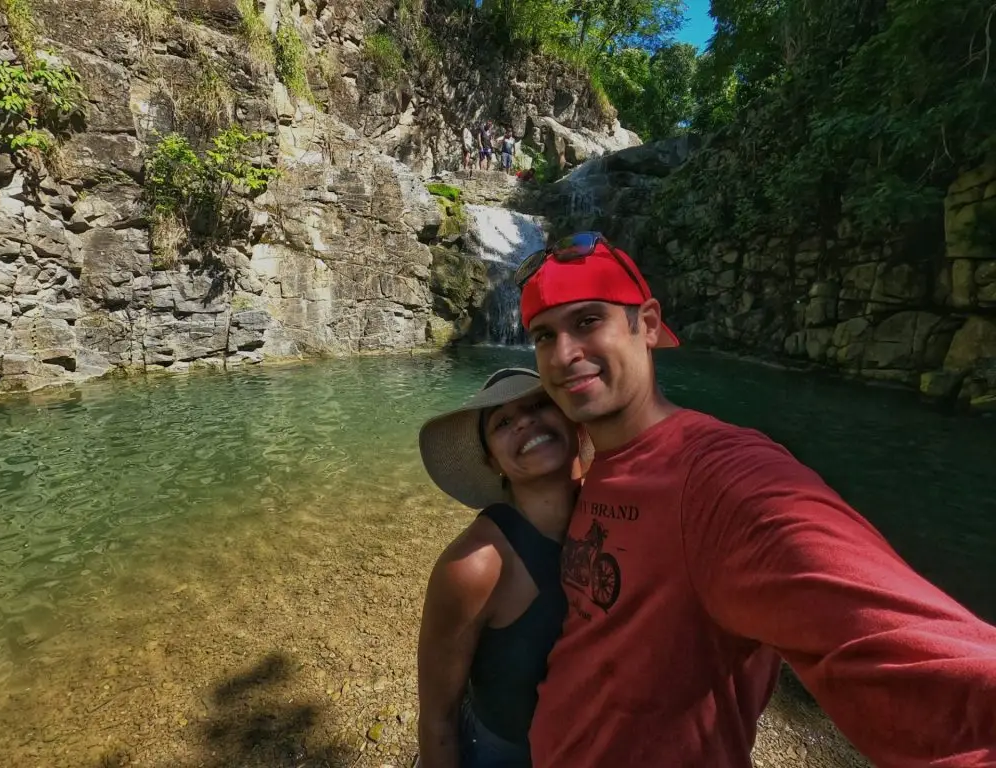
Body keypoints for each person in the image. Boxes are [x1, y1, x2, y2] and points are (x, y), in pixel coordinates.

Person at [514, 231, 996, 768]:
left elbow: (925, 654)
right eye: (542, 336)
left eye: (587, 322)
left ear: (647, 325)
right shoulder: (596, 462)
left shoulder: (721, 477)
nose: (563, 355)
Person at [416, 368, 588, 768]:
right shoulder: (475, 565)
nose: (525, 421)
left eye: (539, 405)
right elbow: (438, 717)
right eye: (504, 422)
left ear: (574, 424)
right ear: (491, 460)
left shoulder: (614, 518)